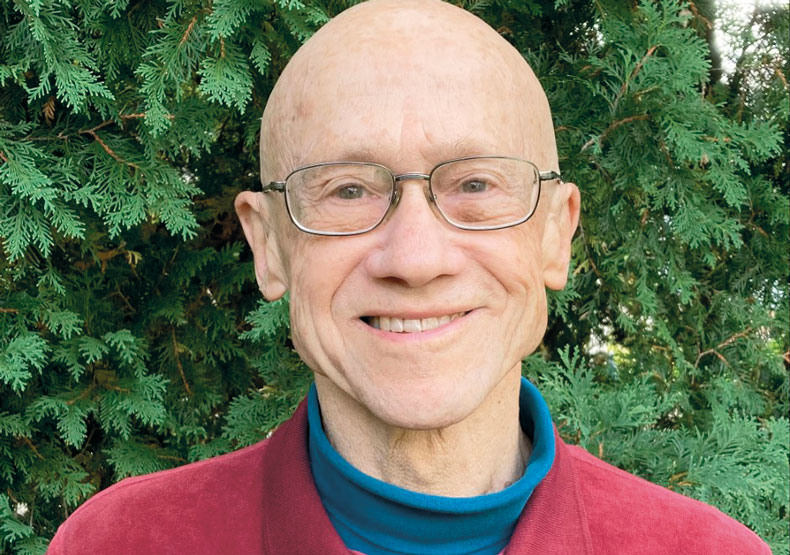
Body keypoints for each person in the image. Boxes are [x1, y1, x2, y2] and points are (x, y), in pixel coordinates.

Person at [47, 1, 771, 553]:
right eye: (349, 190)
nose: (416, 258)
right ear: (269, 247)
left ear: (557, 232)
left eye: (477, 185)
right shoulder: (121, 542)